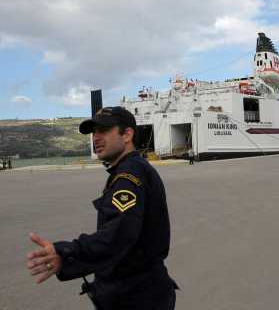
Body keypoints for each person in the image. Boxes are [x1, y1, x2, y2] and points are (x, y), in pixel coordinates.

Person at [27, 106, 178, 309]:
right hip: (143, 290)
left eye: (104, 130)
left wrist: (66, 253)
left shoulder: (128, 176)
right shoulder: (133, 170)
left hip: (137, 297)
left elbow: (117, 236)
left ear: (127, 134)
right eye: (94, 132)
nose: (96, 138)